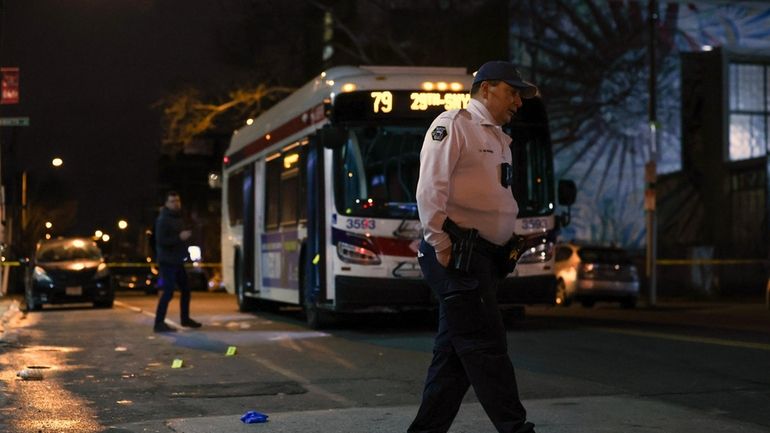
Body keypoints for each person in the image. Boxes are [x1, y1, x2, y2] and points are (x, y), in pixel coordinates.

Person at [409, 61, 539, 433]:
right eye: (512, 92)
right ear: (486, 89)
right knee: (487, 348)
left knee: (453, 358)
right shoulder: (454, 125)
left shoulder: (498, 138)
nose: (518, 101)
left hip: (482, 259)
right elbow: (430, 189)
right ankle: (516, 429)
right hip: (459, 256)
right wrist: (440, 243)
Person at [153, 191, 202, 333]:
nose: (176, 203)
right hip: (167, 262)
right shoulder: (163, 219)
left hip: (177, 261)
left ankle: (185, 319)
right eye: (173, 201)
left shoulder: (179, 217)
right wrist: (179, 237)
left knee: (186, 290)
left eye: (178, 201)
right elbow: (161, 241)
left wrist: (185, 249)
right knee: (168, 292)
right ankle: (159, 323)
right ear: (167, 204)